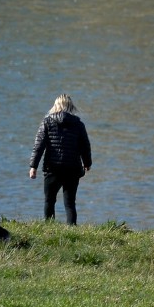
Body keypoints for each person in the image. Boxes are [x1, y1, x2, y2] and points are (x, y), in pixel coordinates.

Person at [29, 94, 92, 225]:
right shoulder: (78, 123)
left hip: (53, 168)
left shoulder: (47, 122)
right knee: (70, 203)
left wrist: (33, 167)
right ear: (71, 106)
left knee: (49, 200)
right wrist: (87, 163)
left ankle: (49, 228)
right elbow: (85, 145)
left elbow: (39, 146)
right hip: (72, 168)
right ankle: (72, 229)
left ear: (55, 105)